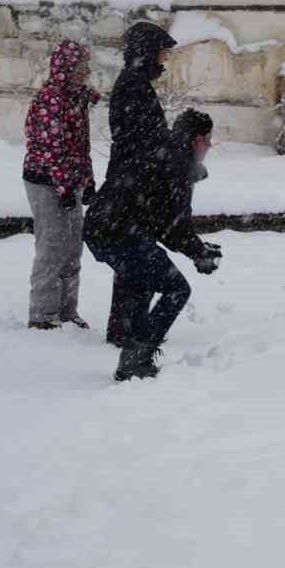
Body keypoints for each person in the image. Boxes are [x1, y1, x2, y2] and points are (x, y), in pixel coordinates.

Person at [85, 109, 221, 381]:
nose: (209, 146)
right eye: (208, 140)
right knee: (177, 289)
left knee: (142, 282)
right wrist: (199, 253)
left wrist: (196, 249)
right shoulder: (179, 163)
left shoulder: (163, 150)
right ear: (196, 140)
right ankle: (137, 359)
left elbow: (162, 223)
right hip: (121, 233)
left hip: (100, 228)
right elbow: (173, 226)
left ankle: (132, 358)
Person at [103, 21, 178, 347]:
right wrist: (166, 155)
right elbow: (140, 139)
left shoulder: (135, 82)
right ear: (147, 52)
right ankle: (128, 330)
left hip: (133, 183)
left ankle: (128, 326)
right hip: (133, 186)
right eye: (162, 52)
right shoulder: (133, 85)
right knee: (136, 258)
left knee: (135, 258)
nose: (165, 58)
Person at [23, 39, 102, 329]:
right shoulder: (50, 100)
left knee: (72, 248)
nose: (87, 72)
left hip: (69, 181)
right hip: (45, 180)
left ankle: (68, 312)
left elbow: (81, 145)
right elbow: (50, 149)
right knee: (52, 247)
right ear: (67, 69)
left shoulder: (78, 98)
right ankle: (43, 315)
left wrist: (87, 179)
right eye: (82, 67)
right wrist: (64, 186)